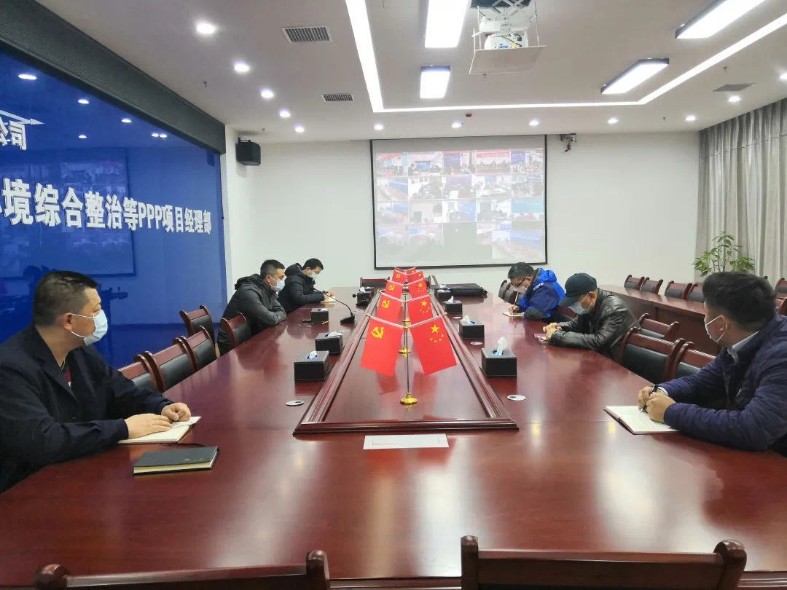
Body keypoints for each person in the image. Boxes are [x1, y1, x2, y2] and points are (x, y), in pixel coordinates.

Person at [0, 271, 191, 493]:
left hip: (81, 475)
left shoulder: (79, 351)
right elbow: (44, 440)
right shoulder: (11, 368)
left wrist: (162, 406)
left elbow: (122, 391)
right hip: (29, 491)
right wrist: (122, 429)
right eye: (96, 310)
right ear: (69, 321)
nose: (101, 316)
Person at [638, 272, 787, 454]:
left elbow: (753, 428)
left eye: (706, 314)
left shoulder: (781, 357)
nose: (705, 319)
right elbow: (703, 382)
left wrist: (671, 412)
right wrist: (662, 391)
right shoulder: (740, 340)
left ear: (722, 323)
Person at [543, 272, 637, 357]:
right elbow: (575, 325)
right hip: (601, 356)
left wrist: (558, 336)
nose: (573, 306)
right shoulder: (589, 306)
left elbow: (598, 341)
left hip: (620, 363)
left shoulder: (614, 309)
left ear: (591, 296)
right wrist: (558, 326)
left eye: (576, 301)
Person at [217, 259, 286, 354]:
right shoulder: (248, 292)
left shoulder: (267, 289)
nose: (282, 281)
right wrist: (277, 316)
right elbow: (270, 319)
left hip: (250, 335)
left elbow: (281, 311)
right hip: (232, 344)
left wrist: (276, 316)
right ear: (268, 278)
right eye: (280, 278)